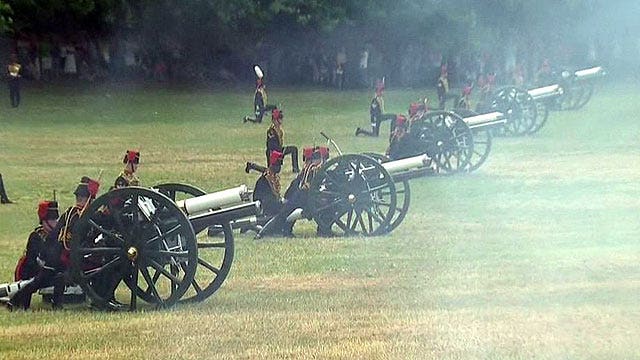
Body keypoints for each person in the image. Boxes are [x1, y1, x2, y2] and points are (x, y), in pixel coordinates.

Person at [7, 177, 99, 310]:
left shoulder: (77, 214)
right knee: (39, 281)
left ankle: (56, 304)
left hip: (61, 255)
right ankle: (16, 301)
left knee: (54, 278)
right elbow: (61, 238)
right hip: (58, 256)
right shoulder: (74, 214)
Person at [256, 146, 330, 238]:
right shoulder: (314, 168)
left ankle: (280, 231)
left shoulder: (308, 167)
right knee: (284, 214)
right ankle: (262, 233)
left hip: (301, 195)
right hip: (304, 196)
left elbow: (296, 183)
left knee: (285, 213)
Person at [245, 150, 284, 219]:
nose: (279, 167)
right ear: (272, 165)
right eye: (277, 165)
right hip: (264, 208)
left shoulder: (274, 177)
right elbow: (265, 199)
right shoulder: (264, 180)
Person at [266, 109, 300, 173]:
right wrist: (280, 152)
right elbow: (271, 146)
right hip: (273, 153)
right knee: (274, 170)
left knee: (294, 149)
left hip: (279, 150)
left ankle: (295, 168)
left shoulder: (279, 130)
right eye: (279, 119)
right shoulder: (271, 131)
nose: (281, 120)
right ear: (275, 120)